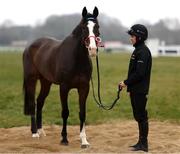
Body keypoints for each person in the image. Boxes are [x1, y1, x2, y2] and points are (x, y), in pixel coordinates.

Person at [119, 24, 152, 152]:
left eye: (132, 36)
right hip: (135, 90)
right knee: (138, 115)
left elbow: (139, 73)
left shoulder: (143, 51)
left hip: (140, 90)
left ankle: (144, 144)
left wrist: (125, 82)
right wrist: (130, 87)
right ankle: (140, 142)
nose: (130, 38)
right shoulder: (138, 50)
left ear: (139, 37)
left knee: (141, 116)